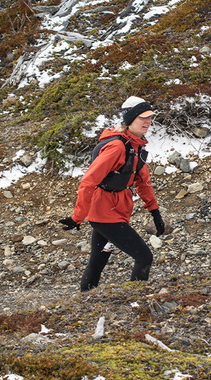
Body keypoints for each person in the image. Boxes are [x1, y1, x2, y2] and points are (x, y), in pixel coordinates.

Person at [59, 97, 165, 291]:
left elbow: (143, 182)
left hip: (116, 210)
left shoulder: (136, 146)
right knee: (144, 256)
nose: (148, 121)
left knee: (98, 260)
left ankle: (84, 302)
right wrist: (77, 217)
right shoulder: (117, 147)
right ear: (130, 118)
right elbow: (88, 182)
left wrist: (155, 211)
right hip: (104, 213)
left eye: (150, 117)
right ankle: (136, 301)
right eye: (143, 117)